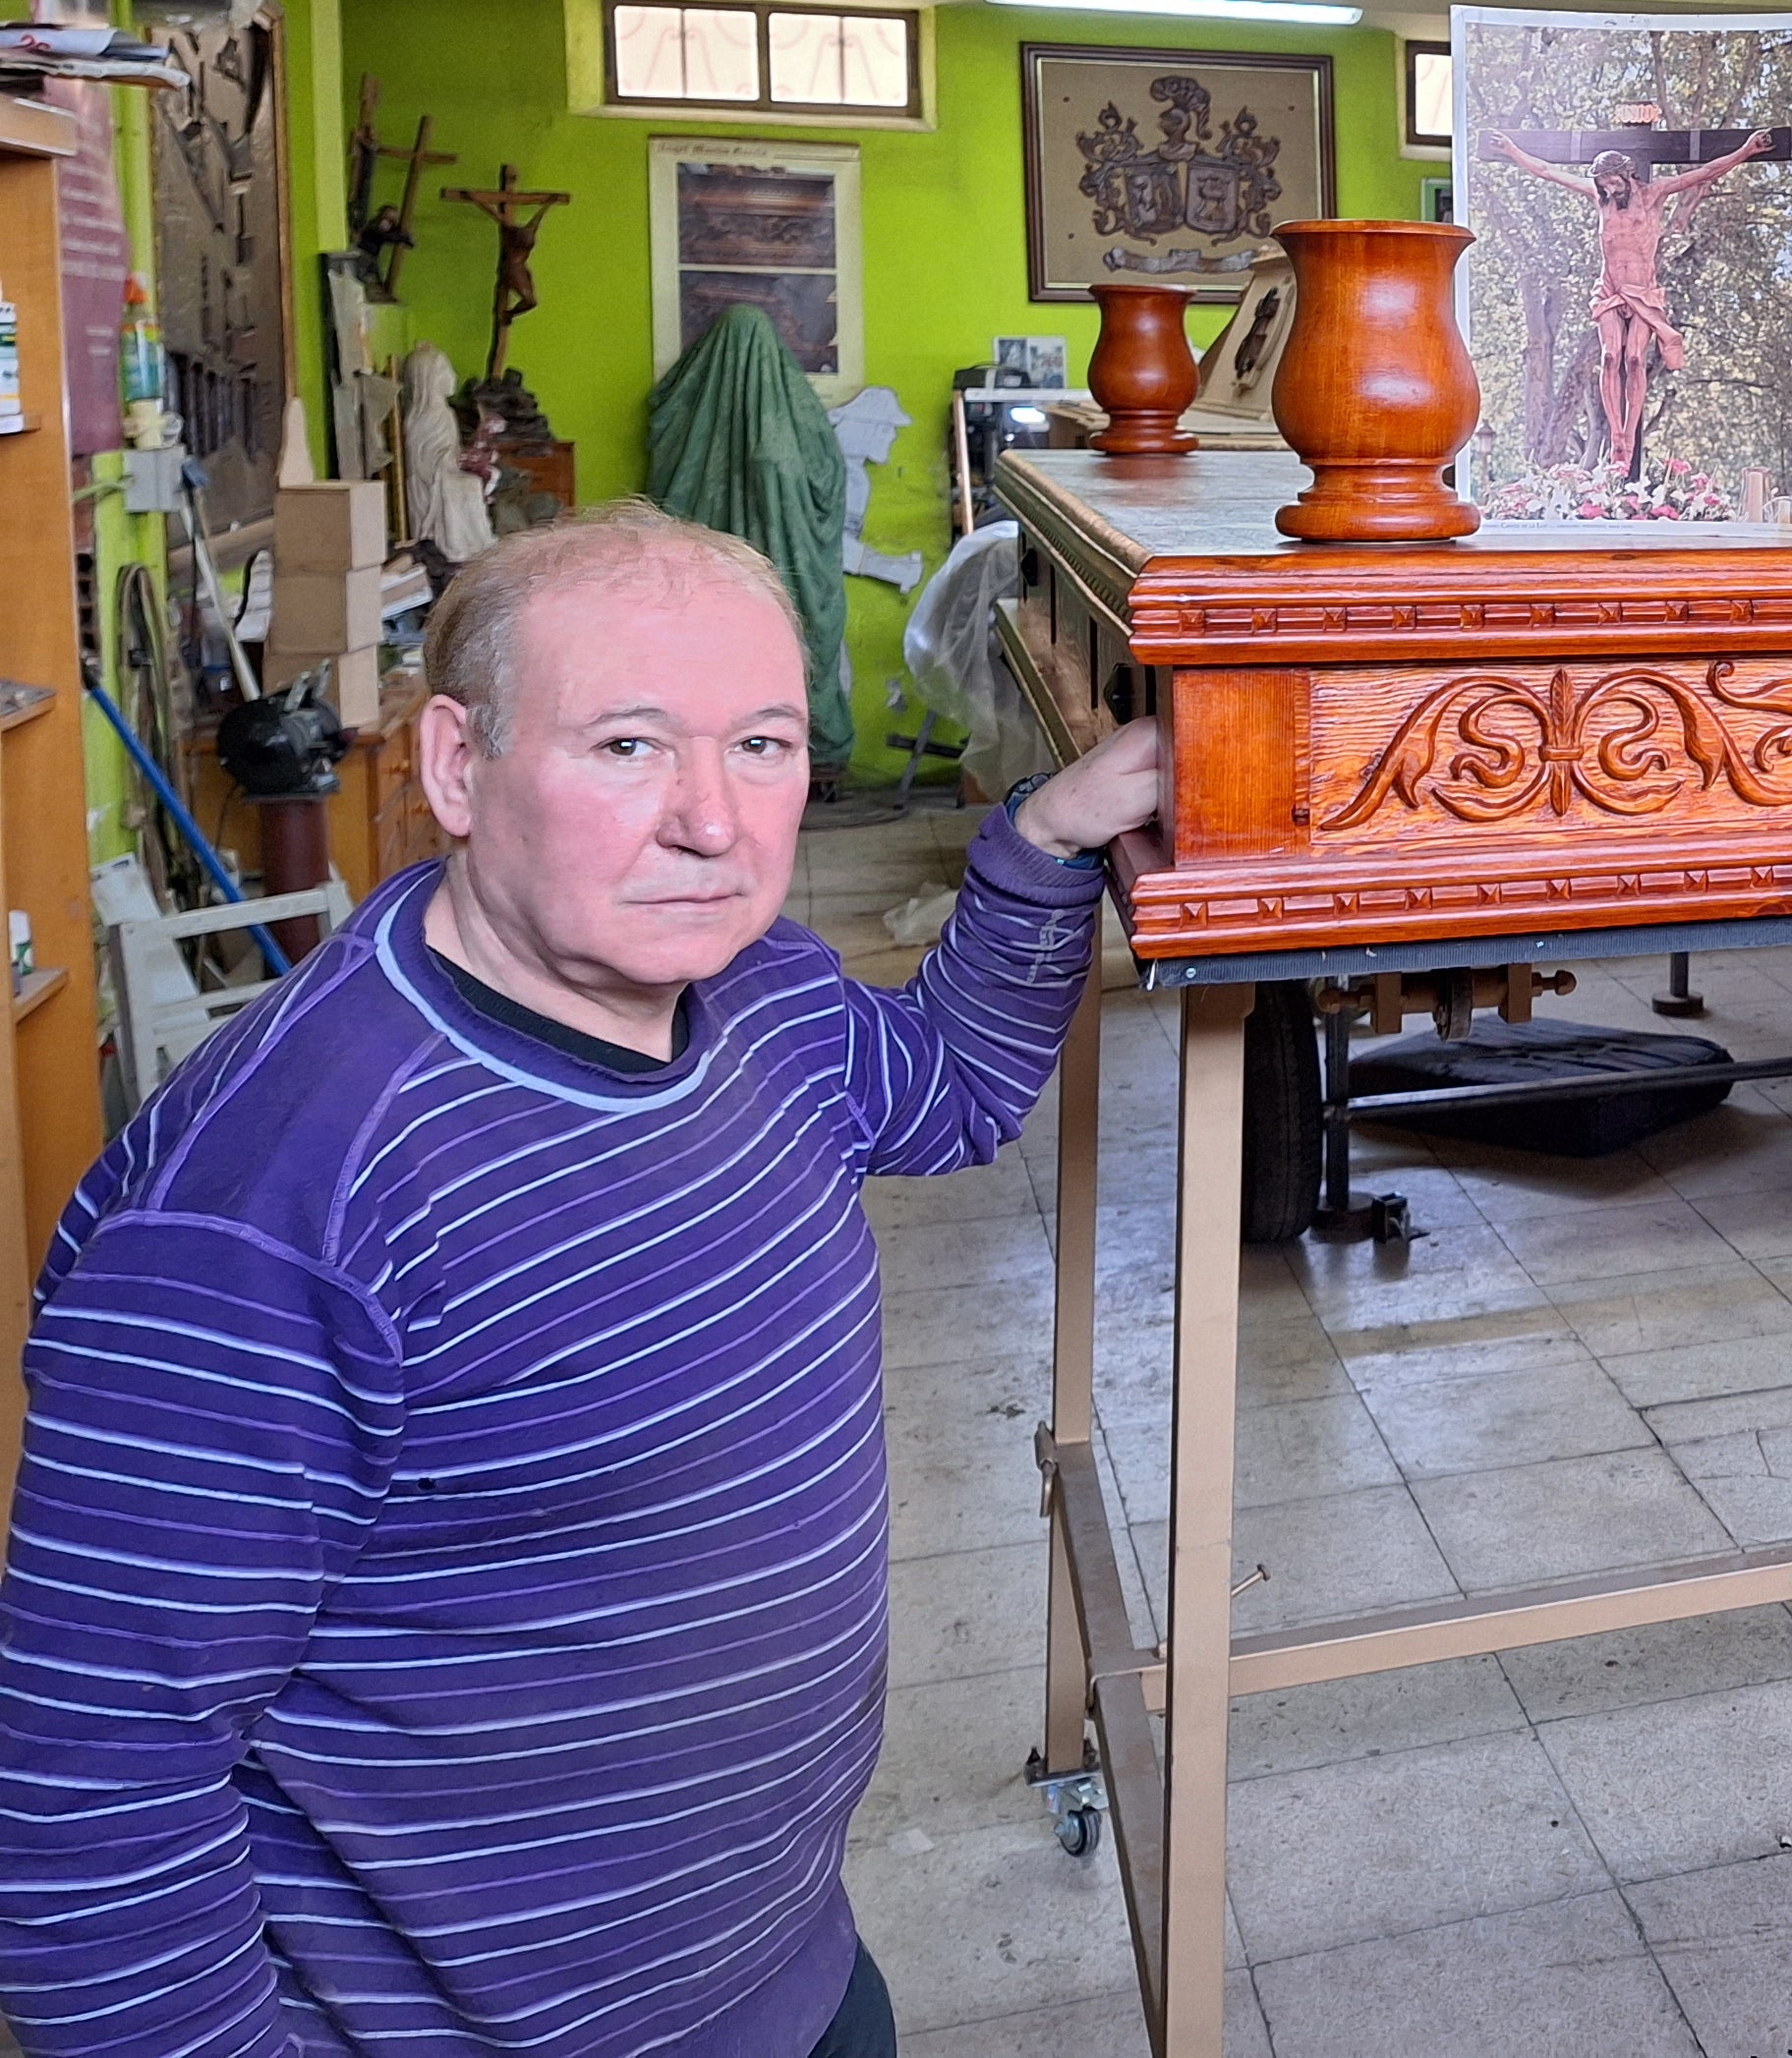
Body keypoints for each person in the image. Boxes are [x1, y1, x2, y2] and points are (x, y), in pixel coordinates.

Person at [0, 503, 1165, 2056]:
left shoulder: (755, 988)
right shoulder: (279, 1200)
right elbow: (93, 1775)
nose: (711, 822)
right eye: (626, 746)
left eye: (761, 744)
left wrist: (1047, 837)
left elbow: (941, 1086)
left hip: (787, 1964)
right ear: (456, 768)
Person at [1486, 126, 1775, 480]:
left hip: (1642, 291)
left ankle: (1628, 436)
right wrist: (1513, 150)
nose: (1608, 187)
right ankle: (1616, 435)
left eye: (1612, 180)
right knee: (1610, 356)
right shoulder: (1600, 200)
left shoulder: (1654, 194)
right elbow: (1548, 171)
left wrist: (1746, 150)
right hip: (1610, 290)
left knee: (1635, 358)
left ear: (1626, 173)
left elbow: (1705, 172)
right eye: (1603, 182)